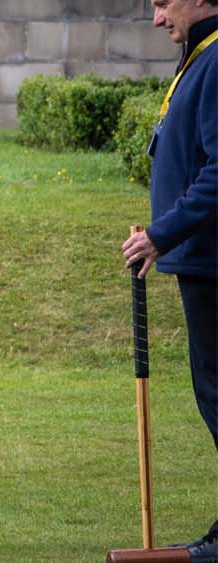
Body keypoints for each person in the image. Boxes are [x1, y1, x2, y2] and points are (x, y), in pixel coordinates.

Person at [120, 0, 218, 560]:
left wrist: (164, 233)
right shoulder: (199, 56)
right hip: (199, 260)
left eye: (163, 2)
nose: (157, 18)